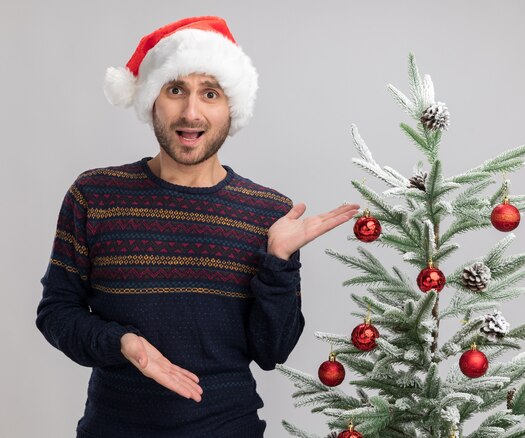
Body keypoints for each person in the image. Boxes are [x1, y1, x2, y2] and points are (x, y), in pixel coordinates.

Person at [36, 16, 359, 438]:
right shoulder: (95, 195)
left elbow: (271, 351)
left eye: (210, 93)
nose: (191, 112)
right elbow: (56, 312)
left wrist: (278, 261)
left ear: (231, 108)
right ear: (153, 99)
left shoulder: (269, 214)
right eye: (175, 90)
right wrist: (122, 343)